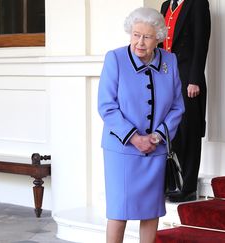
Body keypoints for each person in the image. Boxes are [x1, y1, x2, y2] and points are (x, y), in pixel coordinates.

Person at [97, 7, 185, 243]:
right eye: (136, 35)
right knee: (119, 211)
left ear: (158, 38)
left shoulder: (170, 61)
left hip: (155, 151)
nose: (140, 42)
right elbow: (107, 106)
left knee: (151, 210)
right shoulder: (115, 59)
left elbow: (178, 106)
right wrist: (135, 138)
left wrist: (157, 137)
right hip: (122, 151)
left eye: (146, 37)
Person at [159, 0, 211, 202]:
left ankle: (187, 187)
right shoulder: (165, 6)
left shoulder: (197, 3)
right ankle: (173, 183)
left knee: (189, 131)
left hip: (188, 77)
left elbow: (201, 41)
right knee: (171, 131)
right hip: (166, 77)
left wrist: (195, 79)